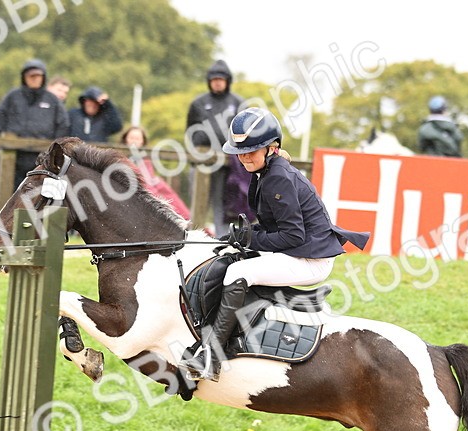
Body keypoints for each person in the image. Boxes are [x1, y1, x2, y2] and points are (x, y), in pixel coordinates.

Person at [179, 108, 370, 382]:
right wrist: (238, 236)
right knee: (231, 260)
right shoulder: (266, 172)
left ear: (272, 147)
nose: (244, 157)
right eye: (240, 151)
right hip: (300, 252)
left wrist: (249, 238)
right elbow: (273, 226)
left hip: (310, 260)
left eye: (251, 150)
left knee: (238, 273)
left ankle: (212, 356)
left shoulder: (277, 177)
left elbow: (292, 236)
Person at [0, 59, 69, 194]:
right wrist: (0, 142)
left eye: (38, 76)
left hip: (42, 158)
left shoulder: (52, 100)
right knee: (12, 195)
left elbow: (63, 125)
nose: (34, 79)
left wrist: (54, 150)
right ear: (24, 77)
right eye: (31, 76)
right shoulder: (12, 97)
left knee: (40, 197)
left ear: (43, 78)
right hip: (14, 157)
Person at [185, 59, 245, 233]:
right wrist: (202, 141)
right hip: (203, 161)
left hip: (229, 165)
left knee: (223, 203)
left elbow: (245, 131)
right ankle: (194, 236)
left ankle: (224, 239)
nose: (217, 82)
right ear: (209, 81)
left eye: (221, 79)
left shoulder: (238, 103)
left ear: (227, 81)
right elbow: (190, 131)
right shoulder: (199, 103)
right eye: (214, 79)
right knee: (199, 201)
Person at [119, 125, 190, 220]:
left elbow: (148, 179)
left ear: (142, 141)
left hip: (149, 188)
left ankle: (188, 219)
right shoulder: (119, 157)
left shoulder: (146, 159)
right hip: (130, 190)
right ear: (126, 139)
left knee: (171, 198)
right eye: (131, 138)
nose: (134, 141)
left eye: (137, 138)